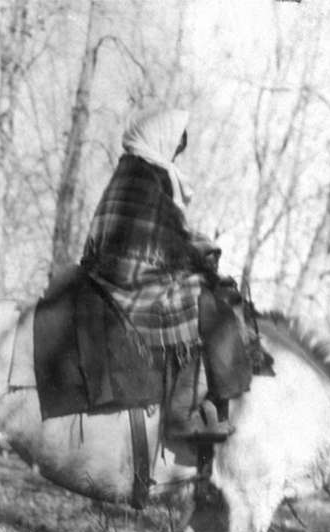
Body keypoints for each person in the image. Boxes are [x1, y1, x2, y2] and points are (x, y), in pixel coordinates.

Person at [80, 108, 249, 443]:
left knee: (205, 289)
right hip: (128, 278)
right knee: (203, 303)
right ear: (159, 143)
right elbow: (160, 242)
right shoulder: (143, 179)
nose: (175, 154)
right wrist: (198, 255)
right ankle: (181, 413)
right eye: (174, 147)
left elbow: (162, 233)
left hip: (119, 270)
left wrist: (195, 246)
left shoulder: (135, 174)